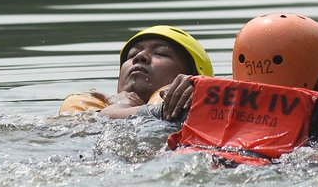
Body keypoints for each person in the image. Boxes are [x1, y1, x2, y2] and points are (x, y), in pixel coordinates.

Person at [165, 13, 318, 166]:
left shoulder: (198, 99)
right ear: (317, 75)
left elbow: (138, 116)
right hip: (272, 171)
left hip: (189, 162)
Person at [58, 25, 214, 118]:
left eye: (160, 53)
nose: (140, 56)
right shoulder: (84, 110)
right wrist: (123, 106)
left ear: (192, 76)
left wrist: (202, 93)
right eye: (132, 55)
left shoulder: (204, 105)